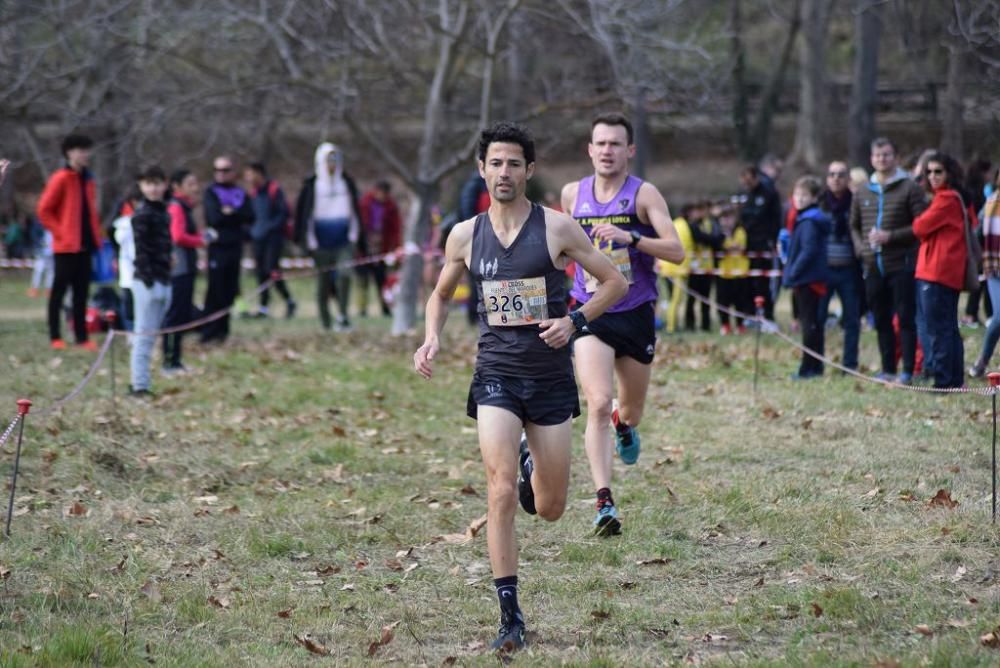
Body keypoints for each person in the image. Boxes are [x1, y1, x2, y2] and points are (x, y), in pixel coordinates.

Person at [414, 121, 626, 652]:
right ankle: (510, 617)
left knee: (550, 508)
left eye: (514, 163)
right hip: (496, 375)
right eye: (495, 163)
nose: (503, 172)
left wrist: (574, 323)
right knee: (500, 489)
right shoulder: (464, 234)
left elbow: (614, 283)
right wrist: (432, 337)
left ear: (529, 171)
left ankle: (535, 464)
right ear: (481, 169)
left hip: (550, 378)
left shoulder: (556, 228)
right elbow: (440, 294)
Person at [561, 112, 684, 536]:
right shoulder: (572, 194)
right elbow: (563, 249)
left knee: (628, 411)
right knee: (597, 402)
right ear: (590, 150)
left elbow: (677, 251)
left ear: (629, 150)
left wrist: (632, 238)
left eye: (616, 144)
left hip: (634, 313)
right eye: (601, 143)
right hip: (590, 310)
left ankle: (623, 426)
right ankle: (604, 502)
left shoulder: (643, 195)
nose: (608, 151)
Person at [849, 137, 927, 384]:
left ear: (895, 157)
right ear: (871, 159)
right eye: (877, 155)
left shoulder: (910, 187)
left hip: (901, 264)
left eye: (886, 155)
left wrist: (890, 236)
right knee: (880, 318)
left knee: (905, 318)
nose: (882, 159)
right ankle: (888, 369)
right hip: (872, 265)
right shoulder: (863, 190)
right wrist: (861, 248)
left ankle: (907, 371)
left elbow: (920, 225)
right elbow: (853, 225)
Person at [913, 153, 977, 389]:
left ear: (949, 173)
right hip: (944, 272)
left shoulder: (946, 199)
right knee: (948, 327)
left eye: (938, 171)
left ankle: (943, 380)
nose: (932, 177)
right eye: (928, 172)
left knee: (938, 329)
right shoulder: (952, 198)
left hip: (936, 272)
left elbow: (919, 226)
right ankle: (953, 379)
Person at [37, 134, 103, 351]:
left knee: (81, 294)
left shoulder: (88, 179)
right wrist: (61, 234)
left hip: (85, 246)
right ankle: (55, 335)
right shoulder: (61, 178)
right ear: (69, 153)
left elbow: (89, 212)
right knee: (58, 293)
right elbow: (44, 211)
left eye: (86, 150)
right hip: (66, 248)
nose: (84, 154)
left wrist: (96, 237)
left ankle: (82, 337)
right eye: (79, 150)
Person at [294, 142, 362, 332]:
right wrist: (310, 242)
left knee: (344, 275)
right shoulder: (312, 185)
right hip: (320, 243)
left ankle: (343, 316)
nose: (332, 164)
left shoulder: (346, 183)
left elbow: (354, 212)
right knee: (323, 283)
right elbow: (305, 216)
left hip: (343, 242)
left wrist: (354, 236)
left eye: (335, 160)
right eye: (328, 160)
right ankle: (326, 321)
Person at [129, 166, 173, 396]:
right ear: (141, 186)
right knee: (143, 334)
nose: (153, 188)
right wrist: (149, 281)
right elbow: (141, 252)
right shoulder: (142, 214)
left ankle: (143, 382)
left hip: (164, 279)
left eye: (157, 183)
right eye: (148, 183)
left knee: (151, 335)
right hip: (148, 282)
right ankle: (139, 385)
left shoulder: (164, 212)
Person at [162, 169, 212, 374]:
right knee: (175, 315)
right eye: (190, 183)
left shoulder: (185, 207)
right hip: (179, 270)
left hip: (187, 267)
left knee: (182, 315)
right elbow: (178, 236)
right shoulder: (176, 207)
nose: (195, 187)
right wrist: (201, 241)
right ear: (177, 186)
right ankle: (169, 361)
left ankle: (177, 360)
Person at [200, 156, 253, 344]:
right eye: (217, 170)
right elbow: (214, 218)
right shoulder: (210, 192)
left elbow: (249, 215)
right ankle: (208, 332)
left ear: (233, 172)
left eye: (225, 170)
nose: (221, 174)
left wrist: (231, 213)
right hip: (217, 248)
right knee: (215, 289)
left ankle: (223, 331)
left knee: (231, 289)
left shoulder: (240, 193)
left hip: (235, 247)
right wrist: (231, 216)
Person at [784, 176, 831, 379]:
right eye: (797, 194)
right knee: (812, 324)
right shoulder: (803, 220)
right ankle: (814, 367)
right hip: (807, 278)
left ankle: (809, 368)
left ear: (813, 198)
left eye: (804, 195)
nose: (800, 199)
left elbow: (809, 250)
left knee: (810, 326)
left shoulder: (810, 222)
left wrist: (794, 272)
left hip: (808, 279)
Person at [817, 161, 861, 371]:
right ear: (827, 179)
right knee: (818, 318)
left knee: (851, 319)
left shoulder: (856, 203)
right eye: (832, 174)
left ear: (848, 179)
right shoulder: (819, 203)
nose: (836, 178)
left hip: (849, 269)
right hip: (824, 269)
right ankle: (816, 362)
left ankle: (849, 365)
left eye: (841, 174)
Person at [245, 162, 296, 319]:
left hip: (273, 239)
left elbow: (283, 214)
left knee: (272, 271)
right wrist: (251, 231)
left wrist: (269, 228)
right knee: (260, 272)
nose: (248, 178)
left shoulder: (274, 190)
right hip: (257, 239)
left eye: (250, 174)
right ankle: (263, 307)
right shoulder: (253, 194)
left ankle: (289, 300)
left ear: (259, 174)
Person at [738, 165, 783, 320]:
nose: (746, 184)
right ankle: (749, 314)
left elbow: (764, 217)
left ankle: (768, 315)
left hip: (764, 243)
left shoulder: (768, 192)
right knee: (748, 281)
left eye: (749, 180)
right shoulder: (746, 193)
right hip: (748, 244)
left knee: (764, 281)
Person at [357, 180, 402, 316]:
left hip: (383, 247)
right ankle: (362, 309)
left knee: (381, 281)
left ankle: (385, 308)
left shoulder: (391, 207)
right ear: (376, 191)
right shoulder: (364, 203)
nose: (383, 196)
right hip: (364, 247)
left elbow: (396, 229)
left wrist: (395, 247)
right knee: (362, 280)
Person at [970, 171, 1000, 378]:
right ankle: (982, 361)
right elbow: (977, 233)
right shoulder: (991, 203)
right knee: (999, 318)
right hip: (995, 268)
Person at [660, 204, 695, 334]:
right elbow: (686, 247)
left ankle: (671, 324)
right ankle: (671, 326)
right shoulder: (685, 227)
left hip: (667, 268)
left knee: (671, 299)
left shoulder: (674, 223)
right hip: (677, 269)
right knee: (676, 300)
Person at [716, 205, 749, 333]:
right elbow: (720, 246)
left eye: (729, 218)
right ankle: (725, 325)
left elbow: (740, 246)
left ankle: (740, 325)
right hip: (724, 272)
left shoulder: (740, 231)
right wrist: (729, 246)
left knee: (739, 301)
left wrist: (729, 247)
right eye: (723, 218)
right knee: (723, 301)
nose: (726, 221)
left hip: (740, 273)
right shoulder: (719, 233)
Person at [112, 188, 142, 332]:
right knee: (129, 306)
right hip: (128, 272)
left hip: (145, 273)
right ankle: (130, 333)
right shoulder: (124, 223)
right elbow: (119, 239)